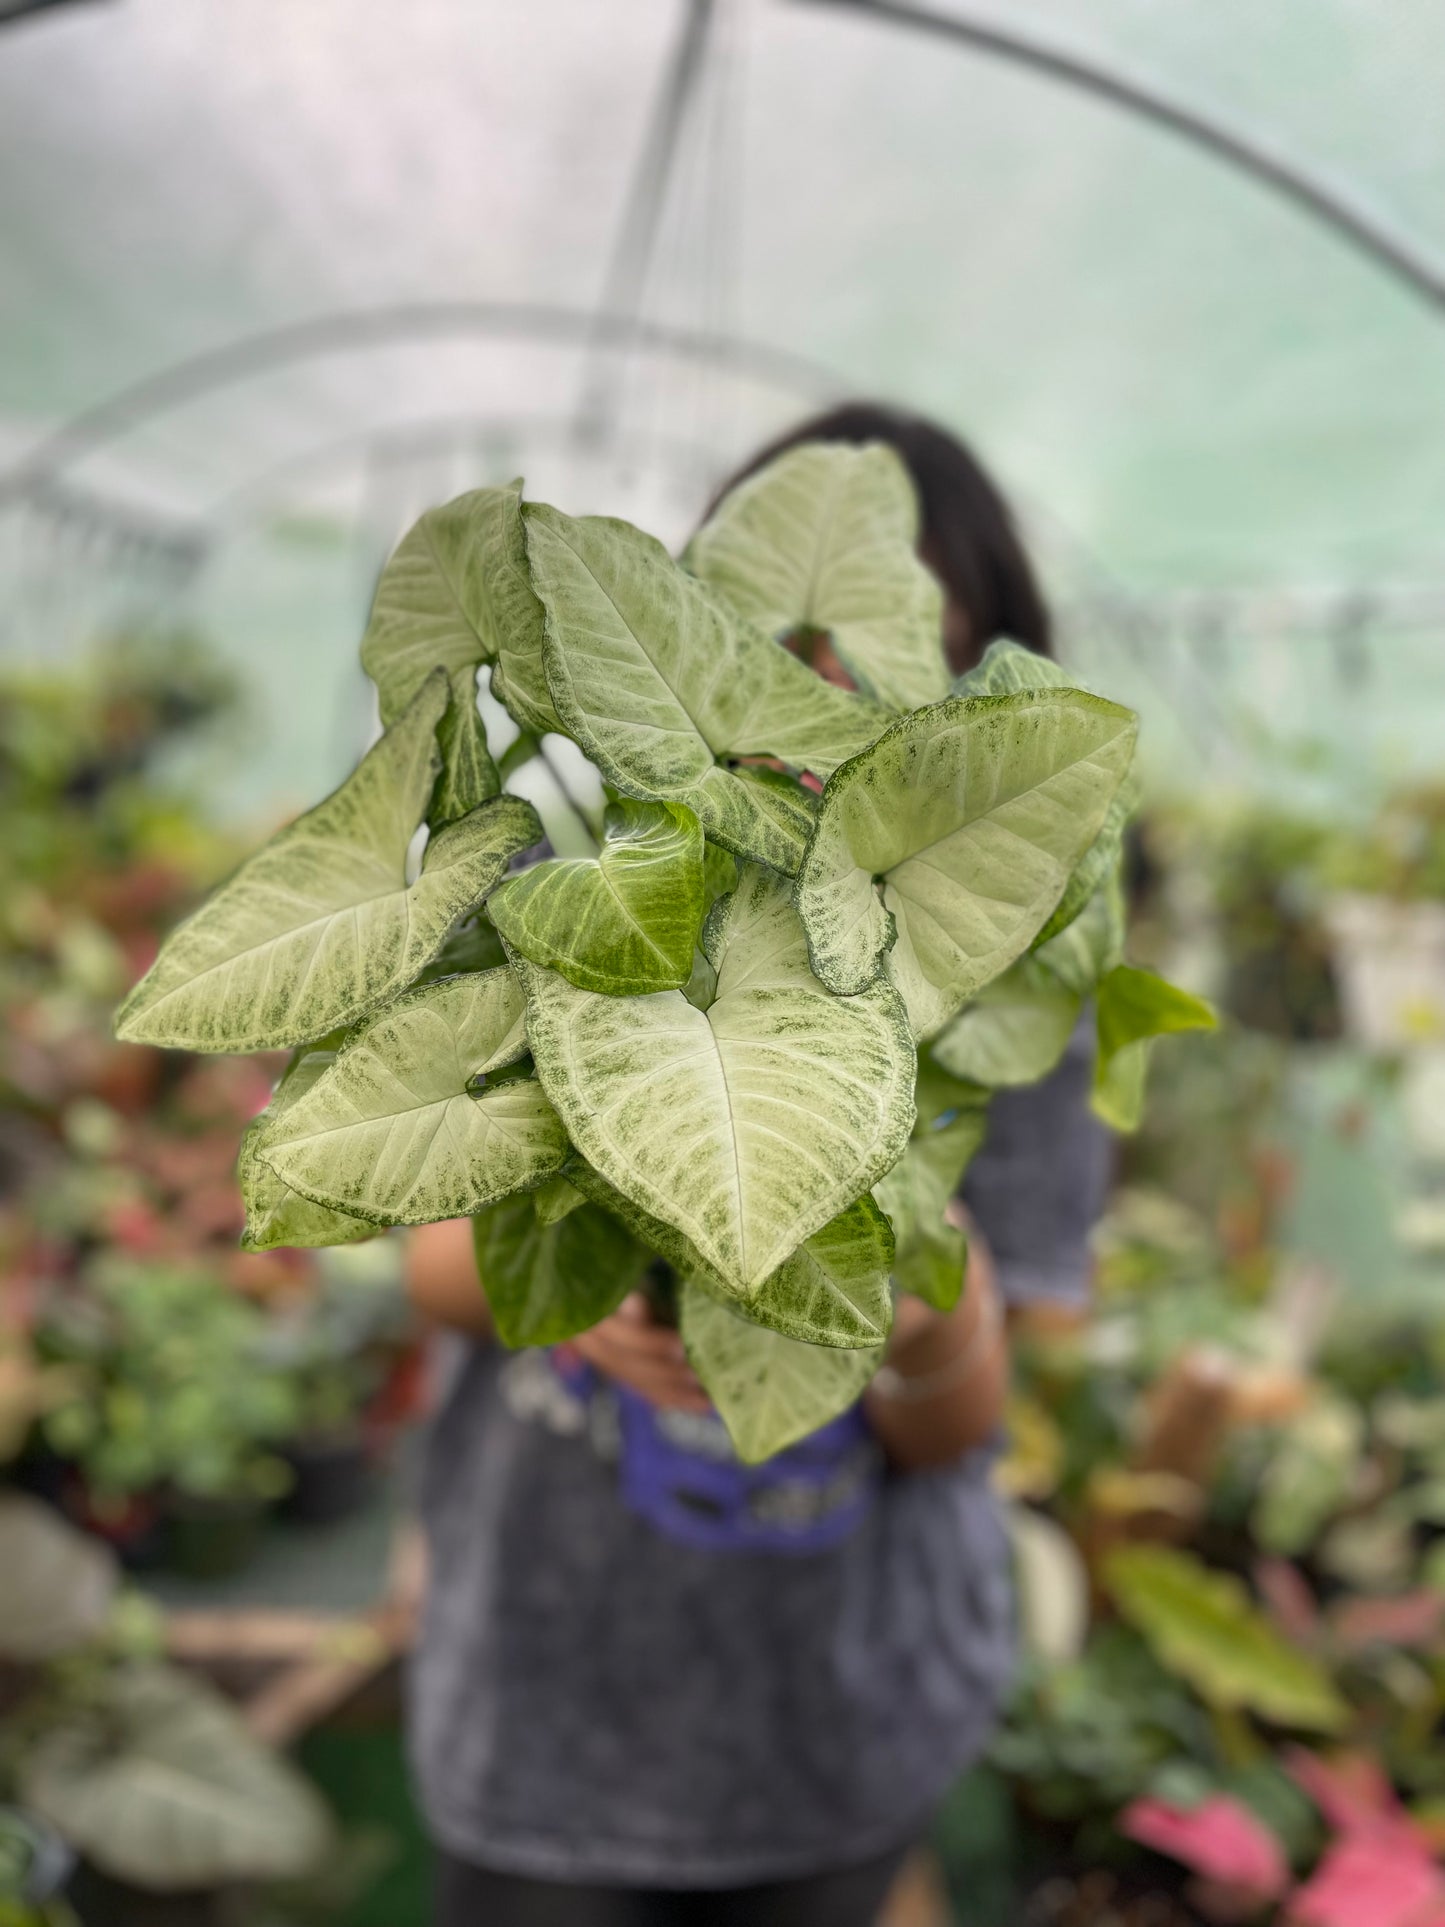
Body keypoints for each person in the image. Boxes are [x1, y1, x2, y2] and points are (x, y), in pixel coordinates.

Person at [405, 404, 1110, 1926]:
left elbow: (980, 1408)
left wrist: (920, 1311)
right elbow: (426, 1257)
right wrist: (579, 1269)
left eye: (913, 644)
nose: (842, 684)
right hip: (546, 1706)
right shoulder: (563, 866)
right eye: (795, 643)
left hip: (839, 1711)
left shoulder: (1013, 944)